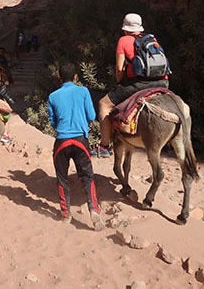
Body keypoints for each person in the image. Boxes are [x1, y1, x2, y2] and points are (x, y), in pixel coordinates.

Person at [94, 13, 169, 157]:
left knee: (103, 104)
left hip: (139, 84)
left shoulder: (124, 40)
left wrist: (119, 82)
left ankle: (104, 146)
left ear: (125, 27)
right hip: (162, 82)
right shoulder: (152, 39)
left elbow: (119, 69)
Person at [49, 63, 104, 230]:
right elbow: (92, 116)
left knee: (62, 178)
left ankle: (66, 214)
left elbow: (53, 122)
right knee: (87, 176)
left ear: (59, 77)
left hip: (62, 141)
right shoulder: (83, 91)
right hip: (81, 139)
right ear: (75, 77)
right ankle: (93, 209)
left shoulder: (53, 96)